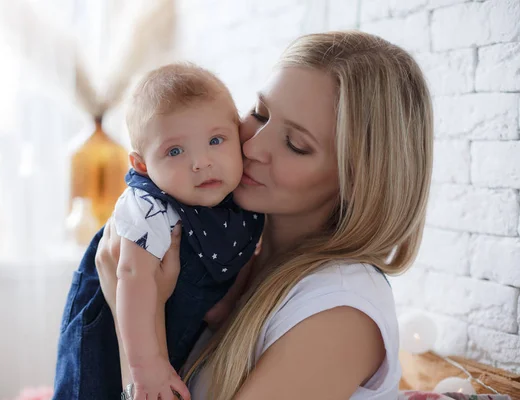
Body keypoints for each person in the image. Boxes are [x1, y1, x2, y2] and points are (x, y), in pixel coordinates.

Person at [56, 30, 433, 400]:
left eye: (295, 144)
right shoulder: (230, 246)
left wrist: (126, 321)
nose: (252, 145)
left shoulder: (341, 313)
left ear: (356, 180)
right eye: (259, 113)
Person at [111, 63, 263, 400]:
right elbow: (131, 274)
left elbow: (243, 253)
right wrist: (146, 368)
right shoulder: (149, 206)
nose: (201, 162)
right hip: (118, 336)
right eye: (175, 151)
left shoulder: (241, 201)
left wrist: (227, 303)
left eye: (215, 140)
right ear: (142, 166)